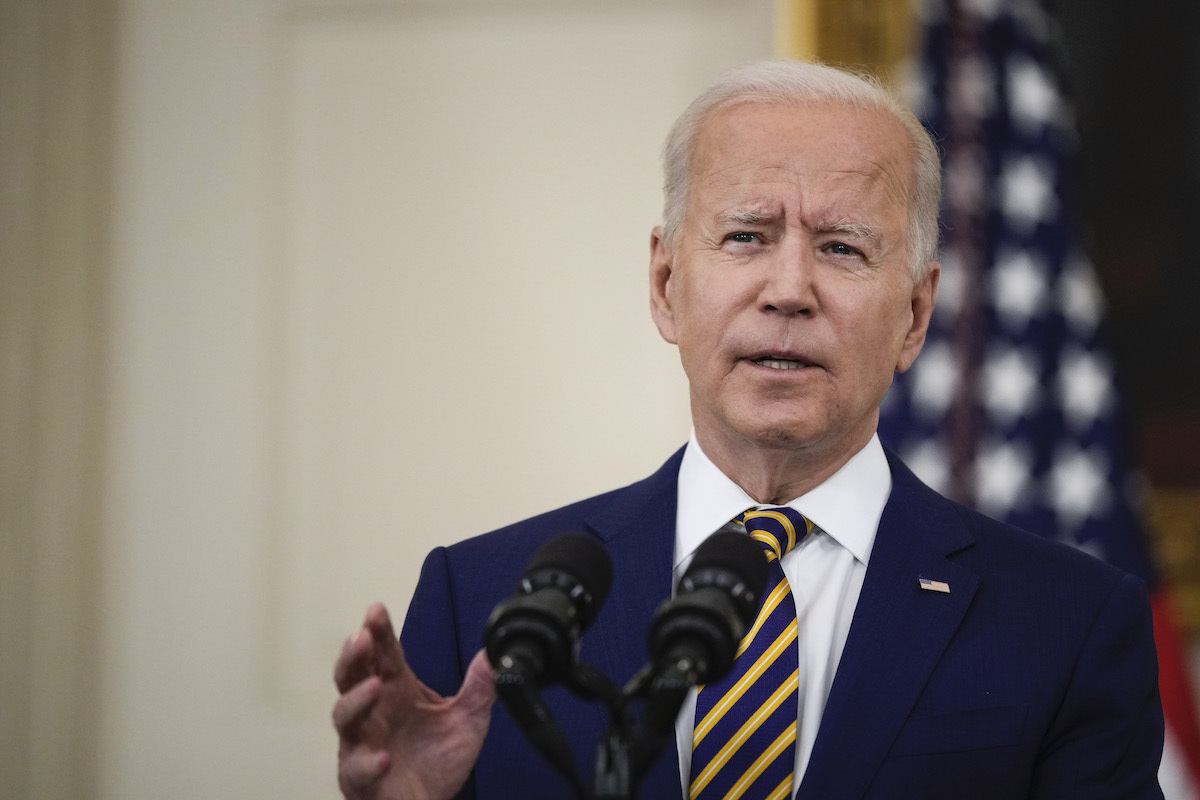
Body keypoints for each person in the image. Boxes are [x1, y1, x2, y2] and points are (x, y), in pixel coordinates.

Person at [332, 60, 1164, 800]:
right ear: (665, 286)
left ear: (914, 315)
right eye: (745, 237)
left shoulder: (1068, 624)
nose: (789, 289)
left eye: (841, 248)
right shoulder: (481, 600)